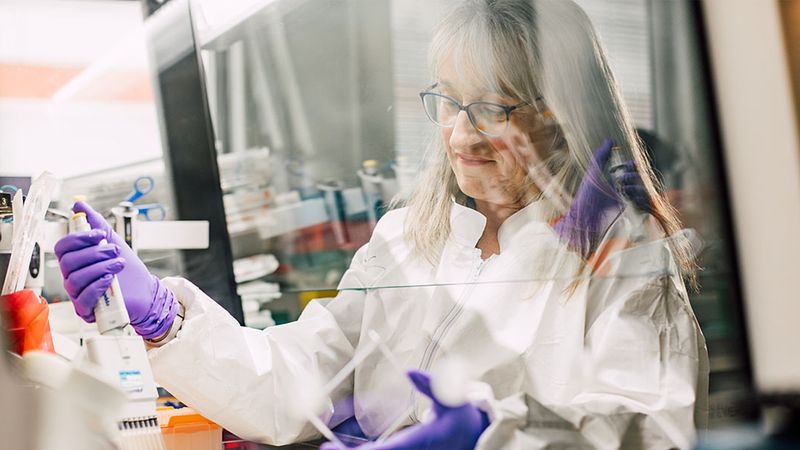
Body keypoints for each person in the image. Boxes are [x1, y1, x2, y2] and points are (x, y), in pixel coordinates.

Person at [54, 0, 708, 449]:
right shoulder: (408, 240)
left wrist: (486, 432)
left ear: (561, 115)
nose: (460, 133)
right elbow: (302, 385)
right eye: (448, 101)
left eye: (491, 107)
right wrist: (164, 316)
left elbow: (644, 430)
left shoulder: (624, 258)